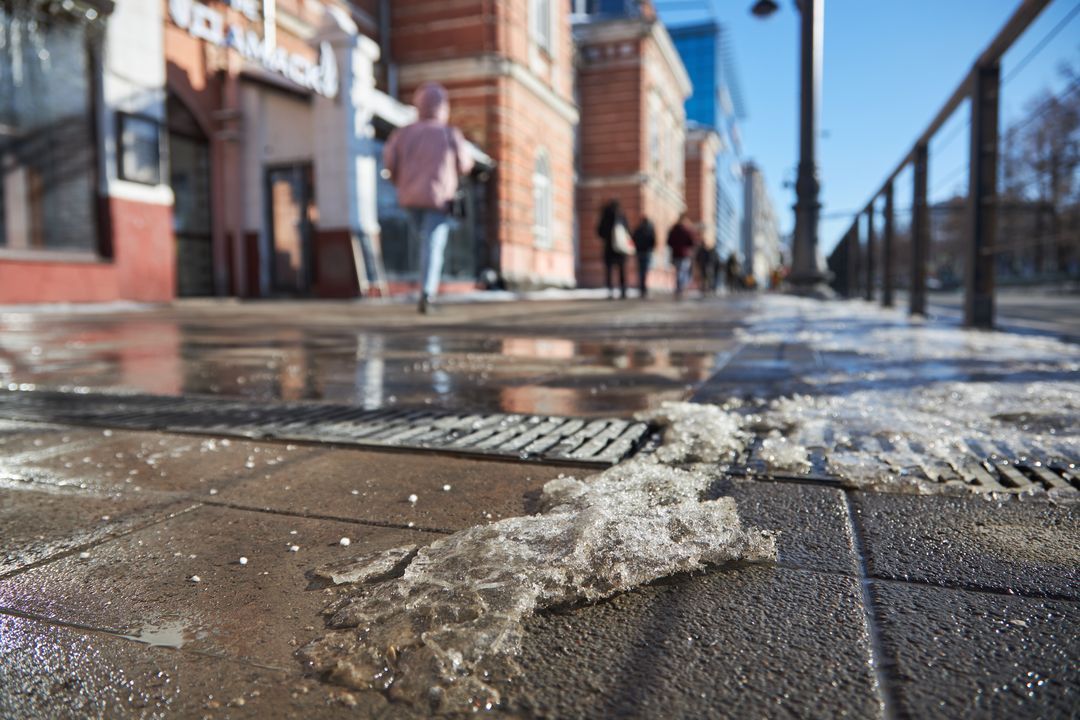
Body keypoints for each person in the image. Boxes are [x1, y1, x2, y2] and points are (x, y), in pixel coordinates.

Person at [383, 82, 474, 314]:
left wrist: (402, 184)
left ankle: (421, 286)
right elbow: (465, 164)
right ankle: (426, 293)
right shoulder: (449, 133)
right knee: (432, 245)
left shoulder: (403, 133)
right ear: (443, 106)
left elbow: (389, 163)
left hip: (410, 199)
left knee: (421, 242)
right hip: (438, 199)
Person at [596, 199, 630, 299]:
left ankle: (610, 291)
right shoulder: (621, 216)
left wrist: (608, 236)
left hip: (609, 248)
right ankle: (623, 290)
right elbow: (627, 231)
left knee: (609, 270)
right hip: (620, 248)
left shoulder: (605, 216)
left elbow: (600, 232)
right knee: (622, 270)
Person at [666, 213, 696, 299]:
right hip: (684, 254)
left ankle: (679, 287)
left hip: (675, 254)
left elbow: (669, 242)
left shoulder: (673, 230)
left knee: (678, 272)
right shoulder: (686, 230)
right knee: (683, 271)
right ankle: (680, 287)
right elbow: (692, 243)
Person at [632, 216, 656, 298]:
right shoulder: (650, 230)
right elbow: (653, 241)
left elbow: (633, 239)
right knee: (645, 271)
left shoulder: (638, 230)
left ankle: (642, 287)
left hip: (640, 252)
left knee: (641, 271)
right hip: (647, 252)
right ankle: (643, 287)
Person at [695, 228, 721, 297]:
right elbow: (698, 258)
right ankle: (706, 287)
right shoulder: (706, 251)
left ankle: (707, 287)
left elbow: (712, 259)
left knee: (707, 276)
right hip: (706, 265)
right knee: (706, 276)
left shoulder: (707, 251)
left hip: (707, 265)